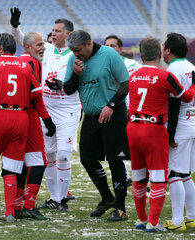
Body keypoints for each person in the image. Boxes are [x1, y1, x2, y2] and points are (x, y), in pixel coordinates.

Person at [127, 36, 195, 232]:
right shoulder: (167, 75)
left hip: (134, 128)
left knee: (139, 176)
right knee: (163, 177)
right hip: (157, 130)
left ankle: (142, 219)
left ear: (141, 55)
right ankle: (154, 222)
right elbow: (186, 96)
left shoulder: (133, 75)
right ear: (160, 54)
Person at [11, 7, 81, 211]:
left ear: (68, 34)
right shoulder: (47, 49)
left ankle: (62, 199)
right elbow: (24, 40)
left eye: (57, 31)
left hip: (68, 111)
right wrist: (15, 26)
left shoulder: (75, 55)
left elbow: (78, 81)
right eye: (53, 30)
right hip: (47, 110)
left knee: (63, 155)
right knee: (48, 155)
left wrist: (62, 84)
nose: (53, 33)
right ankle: (55, 198)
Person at [0, 33, 45, 223]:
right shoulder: (26, 65)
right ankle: (10, 212)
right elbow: (37, 94)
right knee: (13, 168)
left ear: (1, 49)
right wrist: (46, 119)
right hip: (21, 118)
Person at [63, 30, 130, 221]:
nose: (77, 54)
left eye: (79, 50)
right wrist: (76, 74)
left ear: (89, 42)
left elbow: (125, 84)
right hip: (92, 117)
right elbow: (68, 90)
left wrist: (111, 105)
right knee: (87, 159)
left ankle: (121, 208)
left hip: (113, 115)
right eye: (73, 51)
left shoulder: (109, 55)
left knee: (115, 161)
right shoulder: (73, 60)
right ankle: (108, 197)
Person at [162, 33, 195, 231]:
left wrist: (170, 134)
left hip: (179, 128)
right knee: (185, 174)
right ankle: (191, 218)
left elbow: (174, 101)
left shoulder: (173, 70)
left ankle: (178, 222)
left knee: (174, 174)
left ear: (168, 50)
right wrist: (194, 121)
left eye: (164, 47)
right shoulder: (193, 68)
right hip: (192, 125)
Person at [14, 32, 56, 220]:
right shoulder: (32, 63)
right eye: (39, 44)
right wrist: (46, 119)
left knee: (20, 163)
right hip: (29, 117)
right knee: (39, 161)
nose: (43, 47)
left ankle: (15, 206)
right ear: (28, 47)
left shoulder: (15, 62)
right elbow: (36, 96)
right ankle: (29, 205)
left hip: (11, 116)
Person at [104, 35, 142, 187]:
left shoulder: (133, 65)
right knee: (117, 148)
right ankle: (125, 177)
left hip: (132, 112)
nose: (109, 49)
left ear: (120, 49)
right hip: (112, 112)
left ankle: (142, 180)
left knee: (136, 148)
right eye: (106, 46)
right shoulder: (101, 65)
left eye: (113, 46)